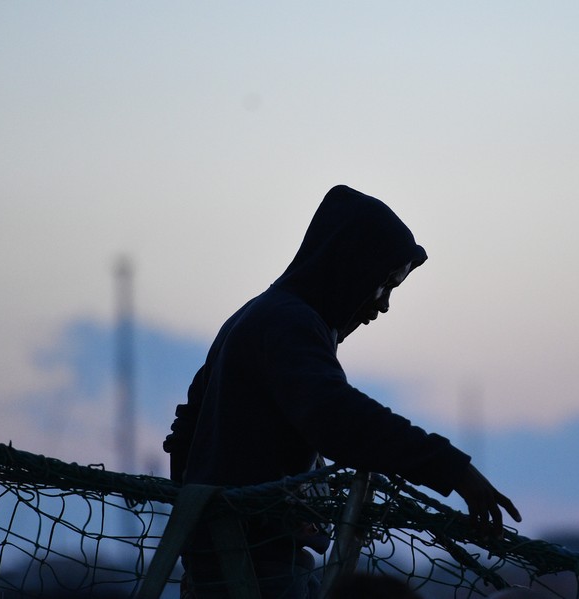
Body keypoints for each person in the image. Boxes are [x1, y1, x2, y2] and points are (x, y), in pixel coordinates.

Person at [164, 185, 521, 598]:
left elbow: (185, 430)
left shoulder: (257, 316)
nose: (383, 304)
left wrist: (200, 522)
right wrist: (453, 469)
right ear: (349, 267)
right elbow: (337, 418)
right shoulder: (288, 324)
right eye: (383, 283)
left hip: (235, 559)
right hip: (253, 568)